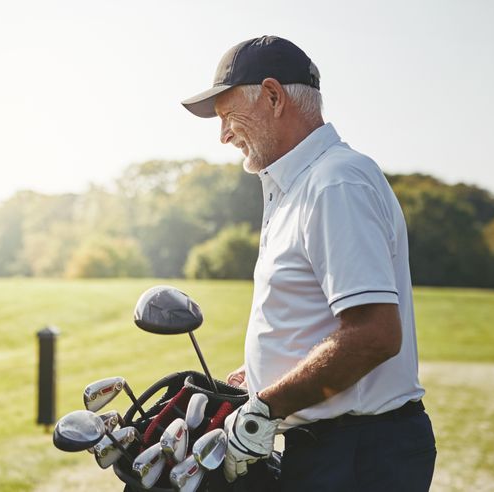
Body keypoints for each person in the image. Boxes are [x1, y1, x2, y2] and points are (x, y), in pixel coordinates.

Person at [180, 36, 436, 491]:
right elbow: (314, 320)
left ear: (274, 97)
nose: (223, 135)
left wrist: (266, 408)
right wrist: (260, 380)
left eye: (227, 116)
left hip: (359, 454)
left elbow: (374, 334)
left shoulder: (335, 183)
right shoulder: (300, 186)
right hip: (335, 446)